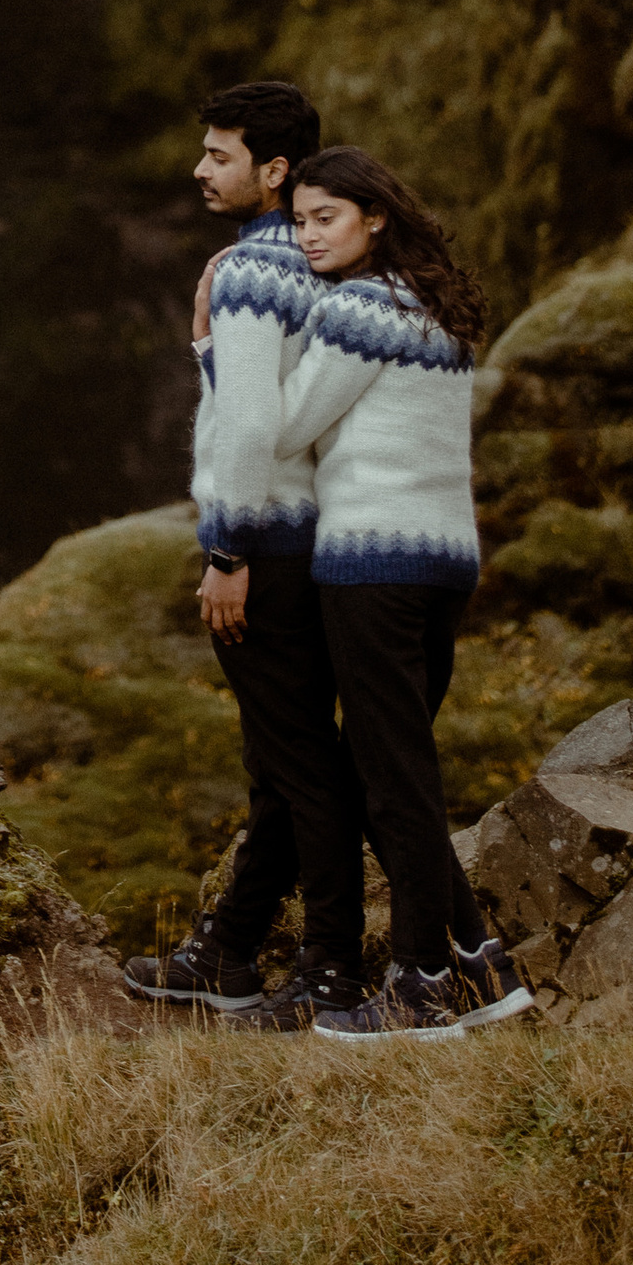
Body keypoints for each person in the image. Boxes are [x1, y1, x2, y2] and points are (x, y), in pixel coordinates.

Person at [121, 78, 372, 1030]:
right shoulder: (319, 261)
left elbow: (252, 425)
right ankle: (226, 953)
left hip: (266, 546)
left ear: (273, 170)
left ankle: (332, 968)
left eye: (218, 155)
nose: (198, 169)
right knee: (283, 761)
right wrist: (206, 350)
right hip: (319, 539)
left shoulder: (250, 271)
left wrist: (227, 550)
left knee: (299, 766)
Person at [273, 145, 531, 1042]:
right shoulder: (436, 307)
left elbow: (285, 427)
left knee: (393, 780)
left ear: (375, 217)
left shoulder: (356, 310)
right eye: (299, 222)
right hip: (444, 563)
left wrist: (216, 346)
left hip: (370, 564)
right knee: (393, 766)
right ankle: (480, 964)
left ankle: (421, 986)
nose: (308, 237)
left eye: (326, 219)